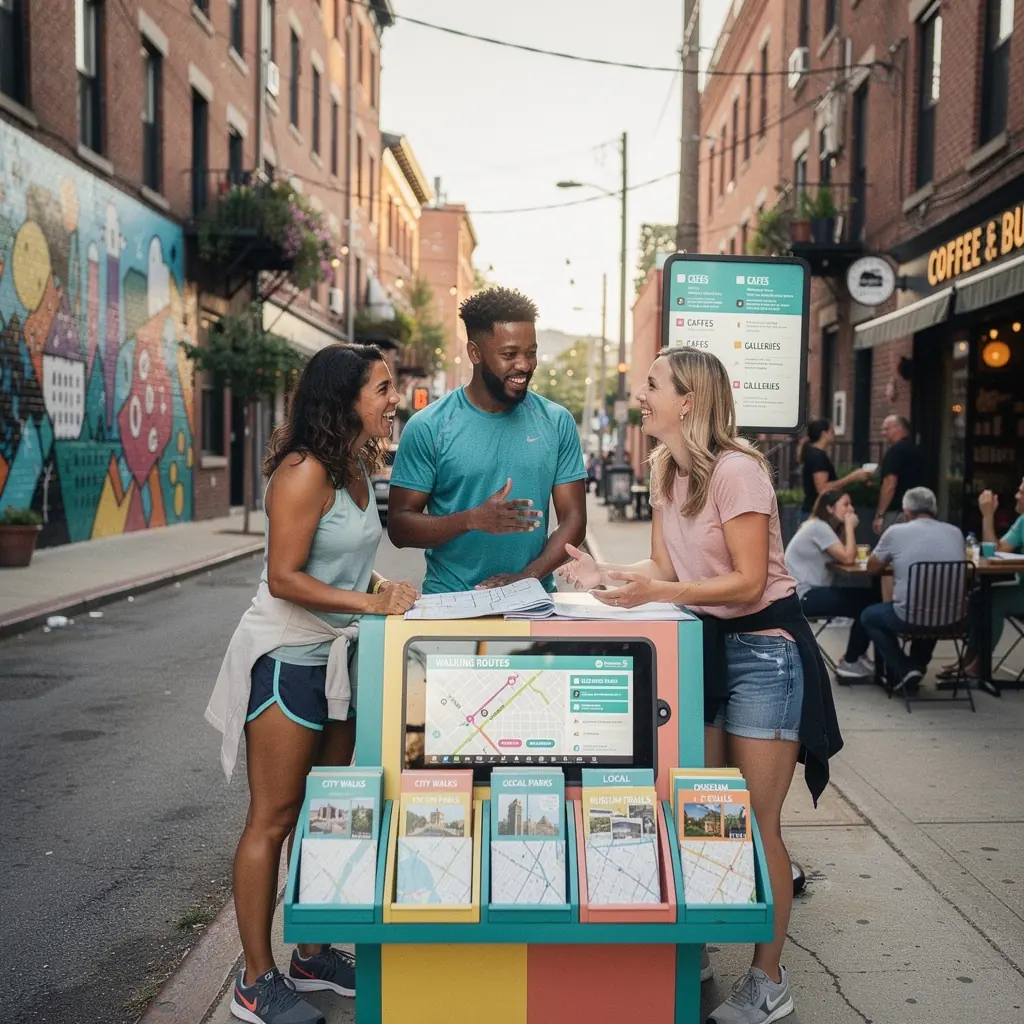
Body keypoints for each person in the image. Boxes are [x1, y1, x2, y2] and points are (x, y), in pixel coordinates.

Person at [557, 347, 841, 1024]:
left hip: (765, 653)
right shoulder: (667, 469)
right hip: (705, 647)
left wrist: (660, 589)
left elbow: (746, 582)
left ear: (688, 401)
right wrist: (609, 575)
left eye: (652, 385)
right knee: (702, 808)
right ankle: (699, 942)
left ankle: (767, 981)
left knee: (758, 823)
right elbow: (663, 561)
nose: (640, 394)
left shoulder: (739, 473)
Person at [205, 345, 419, 1024]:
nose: (395, 400)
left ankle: (311, 951)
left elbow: (344, 568)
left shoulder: (355, 466)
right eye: (384, 389)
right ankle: (255, 978)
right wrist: (371, 606)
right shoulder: (303, 472)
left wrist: (378, 588)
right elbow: (284, 578)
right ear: (344, 397)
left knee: (330, 806)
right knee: (274, 817)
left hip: (338, 659)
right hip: (287, 660)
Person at [387, 287, 587, 592]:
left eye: (530, 353)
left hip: (532, 602)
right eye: (509, 354)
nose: (524, 365)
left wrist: (527, 577)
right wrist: (472, 520)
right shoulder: (429, 426)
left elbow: (574, 519)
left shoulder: (557, 422)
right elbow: (399, 527)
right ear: (475, 353)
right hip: (449, 605)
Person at [861, 487, 965, 692]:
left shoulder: (896, 532)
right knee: (933, 604)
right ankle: (917, 666)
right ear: (934, 509)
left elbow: (872, 567)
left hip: (909, 617)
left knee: (869, 616)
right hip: (952, 619)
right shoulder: (956, 532)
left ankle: (904, 668)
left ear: (906, 512)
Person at [938, 478, 1024, 681]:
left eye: (1021, 492)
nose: (1016, 496)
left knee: (993, 601)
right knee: (979, 595)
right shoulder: (1022, 520)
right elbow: (995, 550)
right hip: (1021, 586)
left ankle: (981, 665)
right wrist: (988, 516)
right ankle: (969, 659)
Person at [785, 490, 875, 680]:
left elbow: (843, 555)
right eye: (845, 504)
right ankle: (852, 660)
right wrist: (850, 527)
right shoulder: (818, 527)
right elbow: (849, 557)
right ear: (829, 508)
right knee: (869, 603)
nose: (851, 509)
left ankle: (856, 656)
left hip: (801, 593)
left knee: (870, 598)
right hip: (804, 595)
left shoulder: (820, 527)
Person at [798, 419, 872, 520]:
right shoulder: (818, 456)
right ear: (824, 434)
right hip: (816, 514)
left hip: (813, 511)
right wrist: (852, 478)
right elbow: (823, 488)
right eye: (832, 431)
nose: (834, 434)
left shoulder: (814, 454)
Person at [872, 415, 926, 535]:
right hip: (917, 512)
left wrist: (880, 514)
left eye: (886, 429)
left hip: (897, 514)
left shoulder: (895, 451)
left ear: (897, 428)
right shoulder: (916, 450)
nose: (883, 433)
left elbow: (890, 484)